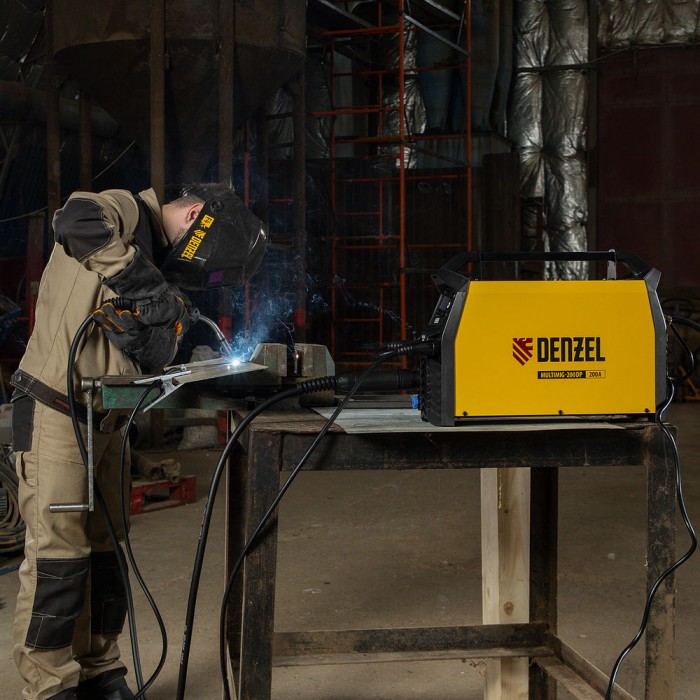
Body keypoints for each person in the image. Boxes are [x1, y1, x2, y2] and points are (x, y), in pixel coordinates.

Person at [10, 183, 267, 700]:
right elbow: (75, 219)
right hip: (57, 413)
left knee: (105, 551)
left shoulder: (158, 265)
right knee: (59, 557)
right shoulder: (123, 211)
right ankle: (50, 687)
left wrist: (157, 339)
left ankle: (99, 670)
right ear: (195, 218)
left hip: (109, 422)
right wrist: (146, 287)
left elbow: (154, 338)